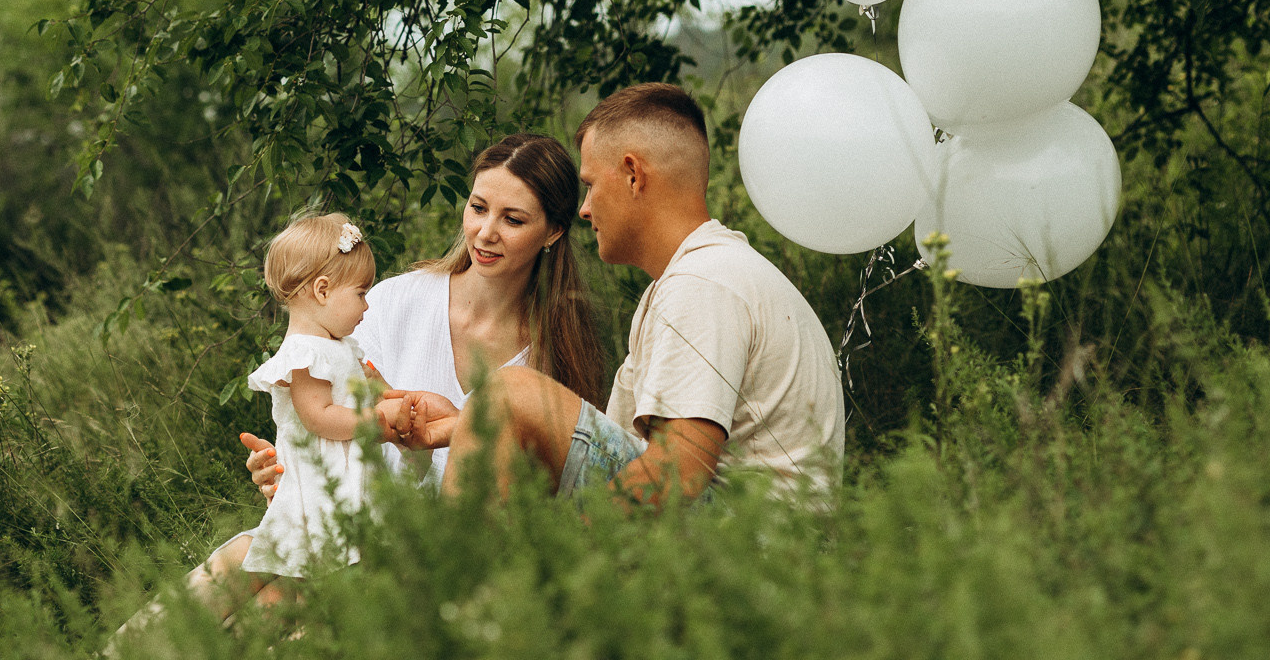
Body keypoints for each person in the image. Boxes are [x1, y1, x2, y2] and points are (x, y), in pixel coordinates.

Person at [195, 134, 608, 606]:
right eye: (477, 208)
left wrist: (460, 429)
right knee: (213, 586)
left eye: (513, 219)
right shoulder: (388, 304)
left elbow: (544, 501)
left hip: (423, 567)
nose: (486, 232)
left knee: (271, 626)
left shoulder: (555, 357)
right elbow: (327, 415)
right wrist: (287, 469)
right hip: (332, 532)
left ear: (553, 232)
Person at [400, 83, 844, 508]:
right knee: (500, 405)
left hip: (757, 551)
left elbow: (677, 473)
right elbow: (611, 455)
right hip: (742, 537)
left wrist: (561, 556)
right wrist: (473, 425)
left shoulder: (702, 284)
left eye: (591, 184)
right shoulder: (699, 277)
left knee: (510, 391)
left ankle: (458, 581)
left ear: (633, 176)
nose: (584, 208)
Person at [196, 212, 396, 614]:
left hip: (345, 461)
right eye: (360, 293)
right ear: (322, 291)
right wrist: (375, 423)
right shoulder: (305, 354)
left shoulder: (338, 345)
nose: (367, 305)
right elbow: (318, 417)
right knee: (326, 540)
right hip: (324, 467)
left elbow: (361, 391)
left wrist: (385, 395)